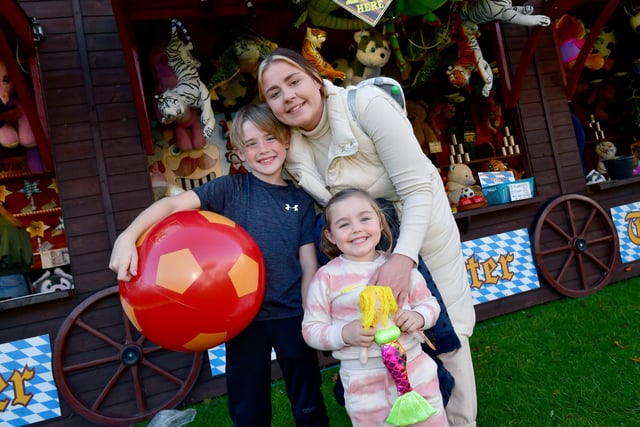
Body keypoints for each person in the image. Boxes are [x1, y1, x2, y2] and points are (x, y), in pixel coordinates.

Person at [258, 47, 477, 426]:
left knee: (443, 330)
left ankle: (458, 419)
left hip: (419, 230)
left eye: (293, 81)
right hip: (363, 247)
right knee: (384, 334)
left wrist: (402, 260)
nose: (287, 96)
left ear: (316, 77)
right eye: (274, 93)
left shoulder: (367, 106)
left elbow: (418, 188)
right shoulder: (290, 147)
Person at [109, 103, 329, 427]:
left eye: (269, 139)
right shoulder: (229, 189)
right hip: (240, 320)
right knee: (248, 406)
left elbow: (308, 263)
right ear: (239, 152)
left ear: (285, 141)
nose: (263, 150)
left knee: (308, 399)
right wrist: (128, 237)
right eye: (251, 144)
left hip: (291, 313)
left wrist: (311, 310)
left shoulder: (300, 199)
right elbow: (171, 204)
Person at [302, 188, 448, 427]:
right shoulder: (326, 277)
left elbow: (429, 304)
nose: (356, 229)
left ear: (380, 223)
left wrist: (418, 317)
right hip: (363, 380)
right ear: (330, 235)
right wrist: (344, 334)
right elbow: (311, 329)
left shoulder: (398, 267)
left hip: (415, 369)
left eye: (365, 219)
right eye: (344, 224)